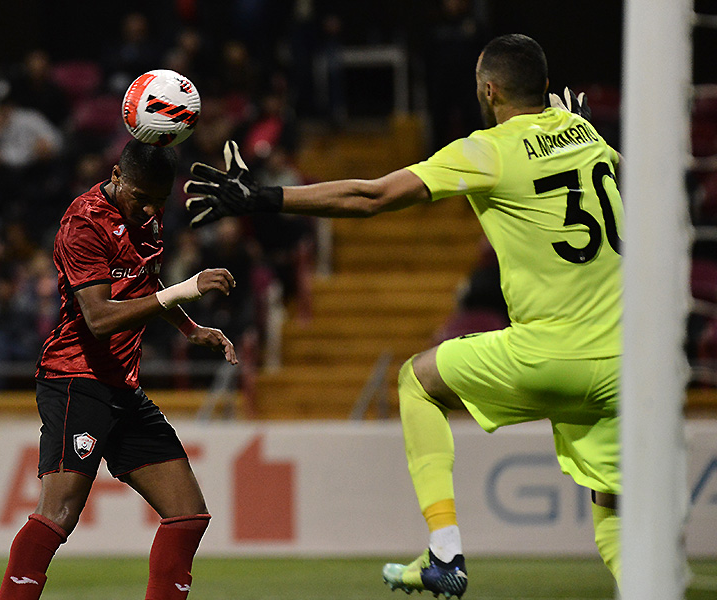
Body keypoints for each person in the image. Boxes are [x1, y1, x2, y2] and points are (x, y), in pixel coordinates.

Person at [184, 33, 623, 597]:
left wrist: (264, 198)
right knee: (614, 511)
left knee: (416, 380)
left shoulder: (487, 149)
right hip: (623, 366)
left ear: (489, 90)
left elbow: (372, 196)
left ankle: (445, 551)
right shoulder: (592, 139)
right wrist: (586, 132)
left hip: (552, 353)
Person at [0, 139, 238, 600]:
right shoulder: (82, 223)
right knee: (59, 513)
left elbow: (144, 279)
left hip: (121, 385)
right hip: (75, 379)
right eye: (140, 196)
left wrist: (188, 328)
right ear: (116, 174)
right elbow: (100, 317)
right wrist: (186, 290)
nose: (148, 208)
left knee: (188, 514)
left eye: (158, 201)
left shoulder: (147, 213)